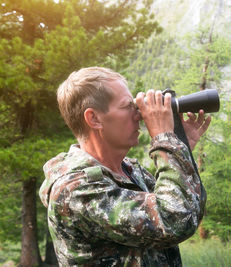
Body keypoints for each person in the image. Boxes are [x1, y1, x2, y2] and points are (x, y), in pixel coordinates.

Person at [39, 67, 211, 266]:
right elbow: (174, 221)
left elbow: (189, 213)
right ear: (94, 119)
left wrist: (179, 147)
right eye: (128, 106)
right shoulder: (75, 190)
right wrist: (165, 141)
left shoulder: (130, 171)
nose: (138, 114)